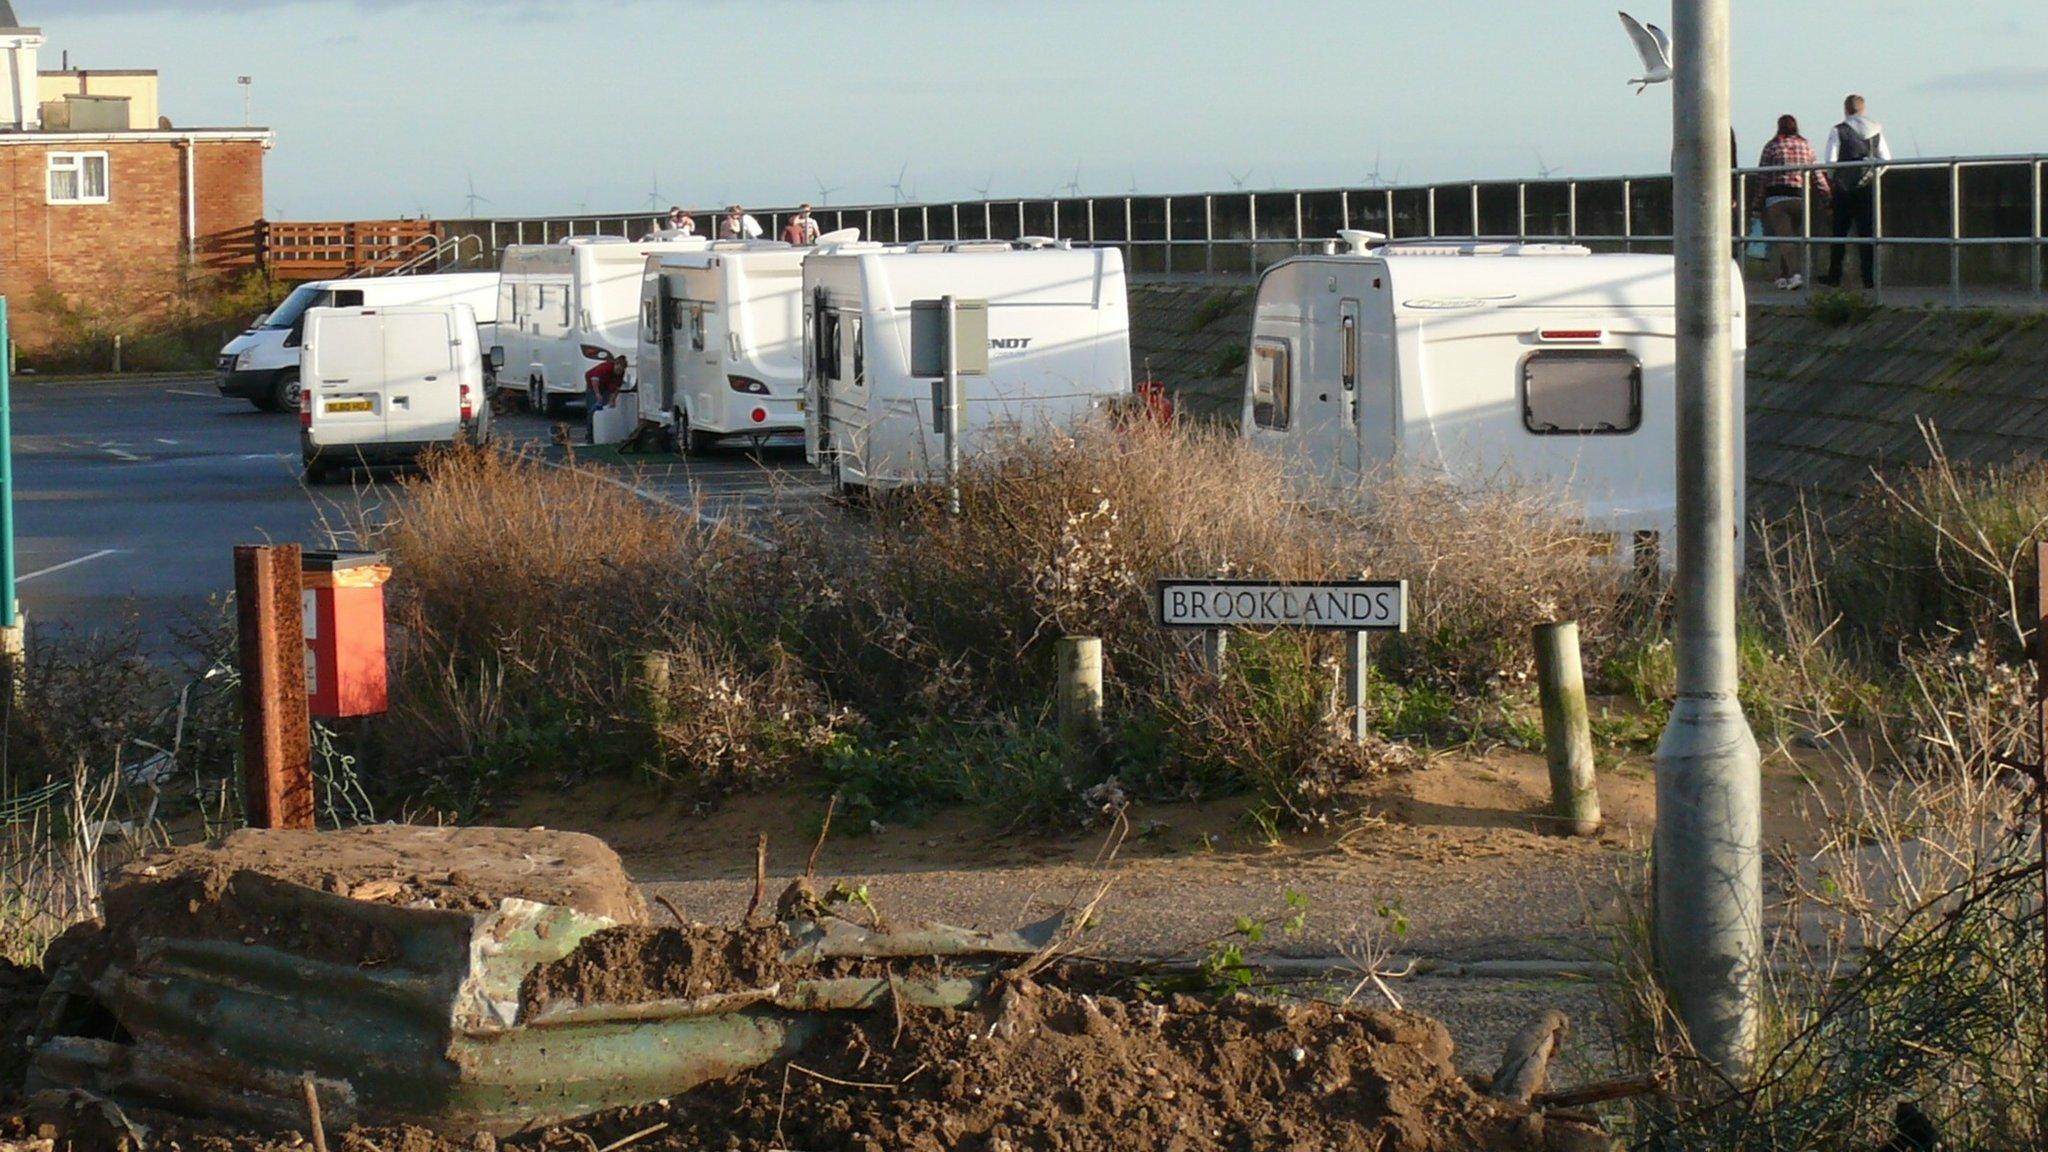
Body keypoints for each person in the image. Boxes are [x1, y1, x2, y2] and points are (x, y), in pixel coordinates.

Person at [1821, 94, 1891, 289]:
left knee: (1839, 233)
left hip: (1844, 189)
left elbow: (1830, 161)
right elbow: (1886, 159)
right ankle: (1869, 278)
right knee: (1867, 234)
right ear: (1863, 109)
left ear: (1846, 109)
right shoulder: (1875, 131)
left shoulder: (1839, 130)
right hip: (1866, 188)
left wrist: (1836, 179)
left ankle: (1834, 276)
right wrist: (1872, 175)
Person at [1755, 115, 1830, 290]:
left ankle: (1796, 274)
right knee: (1790, 237)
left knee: (1785, 238)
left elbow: (1762, 178)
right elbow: (1817, 175)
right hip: (1799, 197)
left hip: (1776, 199)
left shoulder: (1772, 146)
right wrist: (1827, 198)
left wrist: (1756, 204)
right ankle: (1783, 276)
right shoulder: (1806, 145)